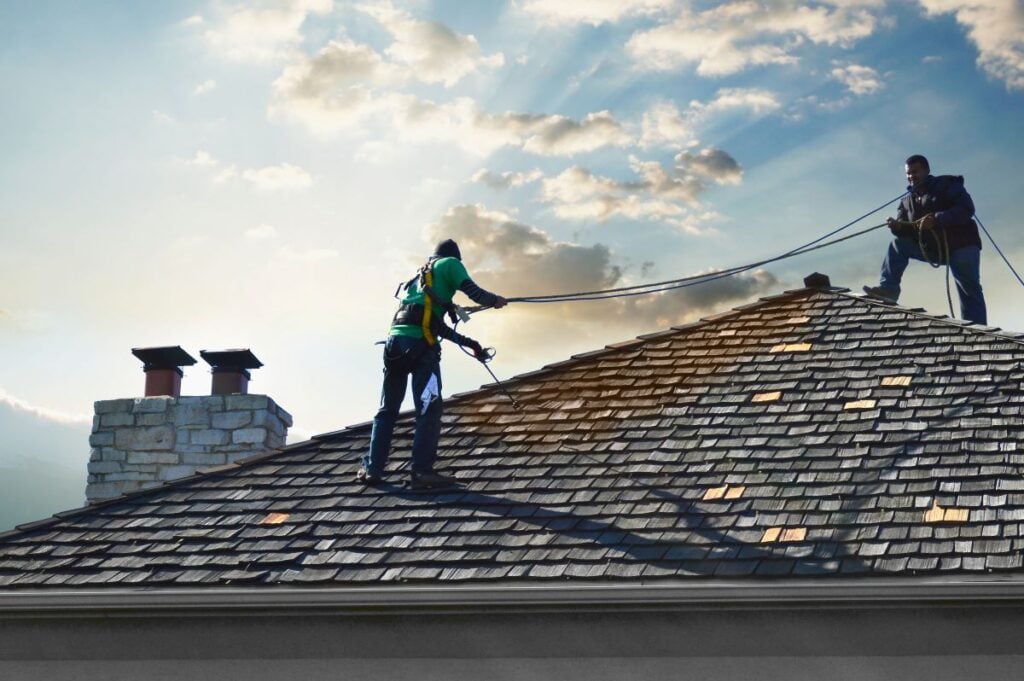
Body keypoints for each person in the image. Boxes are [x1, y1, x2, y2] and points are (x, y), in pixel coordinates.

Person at [358, 239, 507, 489]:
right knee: (429, 409)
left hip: (395, 346)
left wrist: (470, 343)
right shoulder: (451, 263)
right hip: (421, 350)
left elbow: (434, 326)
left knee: (387, 411)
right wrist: (495, 300)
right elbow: (474, 292)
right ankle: (421, 472)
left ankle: (373, 469)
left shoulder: (419, 281)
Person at [863, 154, 987, 324]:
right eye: (908, 173)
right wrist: (898, 227)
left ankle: (977, 329)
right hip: (934, 249)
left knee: (968, 287)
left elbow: (967, 208)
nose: (911, 176)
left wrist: (937, 219)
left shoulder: (947, 184)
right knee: (898, 245)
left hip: (962, 245)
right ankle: (888, 289)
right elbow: (907, 230)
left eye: (915, 172)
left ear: (927, 170)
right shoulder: (906, 201)